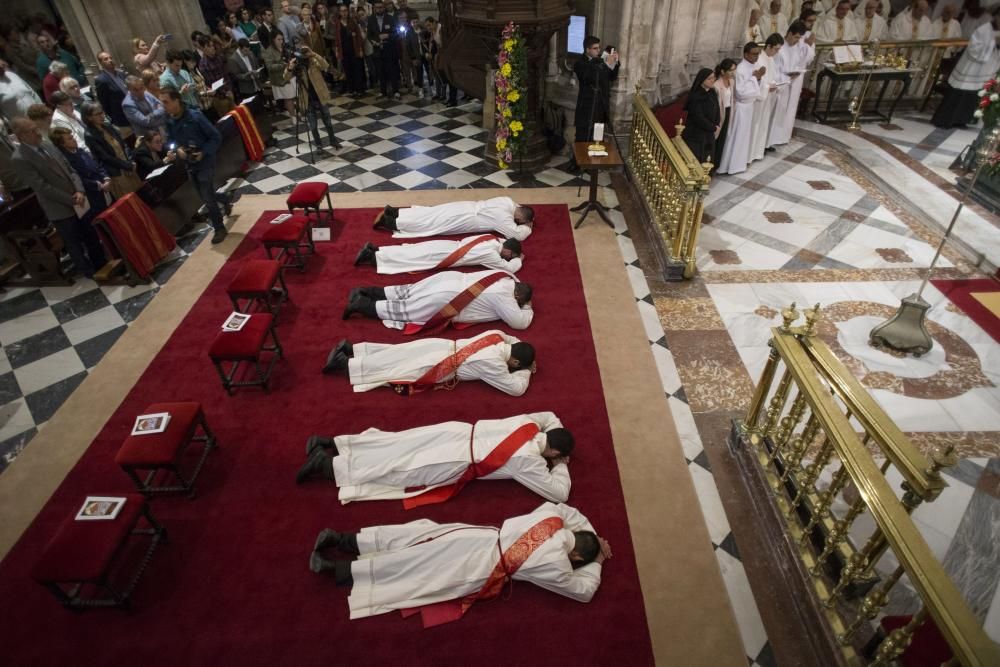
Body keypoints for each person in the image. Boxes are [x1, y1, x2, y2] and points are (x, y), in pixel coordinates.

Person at [308, 502, 609, 625]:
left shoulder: (553, 517)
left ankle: (343, 539)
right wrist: (596, 561)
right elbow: (583, 592)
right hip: (480, 568)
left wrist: (592, 536)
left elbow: (573, 513)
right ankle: (339, 570)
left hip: (476, 536)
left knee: (415, 538)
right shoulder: (558, 566)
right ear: (577, 557)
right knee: (416, 578)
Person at [296, 412, 574, 507]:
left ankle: (331, 443)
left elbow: (550, 415)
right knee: (399, 471)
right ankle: (326, 465)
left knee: (396, 442)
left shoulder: (531, 423)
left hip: (455, 431)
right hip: (456, 459)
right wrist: (560, 466)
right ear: (552, 453)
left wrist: (557, 435)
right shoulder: (530, 460)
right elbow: (558, 493)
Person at [10, 117, 106, 278]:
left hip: (79, 198)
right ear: (21, 136)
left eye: (36, 128)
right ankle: (88, 271)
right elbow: (41, 186)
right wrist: (71, 199)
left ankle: (101, 263)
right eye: (32, 131)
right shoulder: (20, 158)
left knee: (90, 233)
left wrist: (80, 191)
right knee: (73, 241)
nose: (37, 133)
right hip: (59, 206)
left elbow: (70, 169)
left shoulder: (47, 145)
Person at [321, 329, 536, 396]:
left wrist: (523, 355)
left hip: (441, 345)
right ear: (514, 361)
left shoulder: (497, 335)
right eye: (517, 365)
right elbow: (515, 389)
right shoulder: (496, 364)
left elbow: (514, 340)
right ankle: (345, 364)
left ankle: (353, 351)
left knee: (397, 353)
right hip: (442, 366)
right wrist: (526, 370)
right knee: (398, 370)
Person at [342, 268, 533, 334]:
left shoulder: (504, 277)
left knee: (408, 292)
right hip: (449, 300)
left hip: (449, 279)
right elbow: (519, 323)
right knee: (407, 310)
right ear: (516, 297)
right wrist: (527, 308)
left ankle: (364, 291)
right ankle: (360, 305)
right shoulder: (505, 298)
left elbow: (513, 274)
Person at [160, 88, 236, 243]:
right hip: (189, 163)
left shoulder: (195, 117)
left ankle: (219, 228)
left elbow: (215, 136)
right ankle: (224, 198)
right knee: (203, 195)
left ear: (176, 100)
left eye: (165, 102)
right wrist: (177, 149)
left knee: (207, 196)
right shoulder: (169, 120)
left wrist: (203, 152)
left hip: (205, 161)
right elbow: (170, 140)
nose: (163, 106)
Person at [932, 9, 1000, 127]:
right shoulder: (984, 29)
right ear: (996, 17)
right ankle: (944, 121)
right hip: (970, 68)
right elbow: (973, 47)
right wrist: (994, 43)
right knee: (958, 95)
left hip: (983, 71)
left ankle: (960, 120)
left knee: (971, 97)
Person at [373, 198, 534, 240]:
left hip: (463, 206)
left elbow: (519, 207)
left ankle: (394, 211)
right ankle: (389, 222)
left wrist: (525, 215)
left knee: (431, 213)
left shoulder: (507, 201)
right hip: (465, 219)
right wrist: (527, 226)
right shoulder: (504, 218)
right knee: (431, 224)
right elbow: (517, 235)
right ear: (519, 219)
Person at [354, 235, 523, 274]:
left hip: (446, 245)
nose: (508, 257)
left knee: (412, 250)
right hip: (446, 256)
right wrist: (519, 260)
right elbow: (508, 268)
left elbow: (504, 240)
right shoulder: (492, 254)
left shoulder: (490, 238)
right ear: (507, 251)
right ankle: (371, 257)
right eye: (510, 255)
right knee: (412, 258)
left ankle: (376, 249)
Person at [50, 126, 112, 232]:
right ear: (62, 144)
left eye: (72, 136)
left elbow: (97, 166)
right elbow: (78, 178)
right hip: (92, 197)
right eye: (69, 139)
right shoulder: (66, 160)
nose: (74, 139)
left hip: (105, 190)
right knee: (104, 228)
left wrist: (106, 178)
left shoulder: (81, 151)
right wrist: (98, 185)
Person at [717, 43, 764, 175]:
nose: (757, 56)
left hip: (750, 106)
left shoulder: (755, 66)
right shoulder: (741, 69)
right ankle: (730, 166)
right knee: (737, 137)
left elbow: (755, 88)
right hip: (741, 108)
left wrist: (757, 80)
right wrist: (756, 78)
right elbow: (741, 93)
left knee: (744, 137)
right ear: (745, 54)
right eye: (754, 53)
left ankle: (738, 164)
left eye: (758, 53)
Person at [81, 102, 141, 200]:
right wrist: (127, 166)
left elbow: (123, 144)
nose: (102, 115)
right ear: (89, 117)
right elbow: (105, 157)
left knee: (141, 195)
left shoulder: (107, 126)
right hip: (117, 173)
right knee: (130, 202)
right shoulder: (90, 135)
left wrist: (130, 161)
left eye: (102, 112)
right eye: (98, 114)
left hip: (128, 166)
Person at [768, 21, 813, 147]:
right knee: (773, 115)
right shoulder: (780, 48)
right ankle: (768, 142)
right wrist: (786, 76)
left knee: (782, 115)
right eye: (796, 37)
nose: (798, 41)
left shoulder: (795, 48)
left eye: (800, 38)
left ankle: (776, 139)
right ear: (789, 33)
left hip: (787, 85)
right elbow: (773, 70)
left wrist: (794, 74)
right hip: (778, 86)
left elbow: (801, 61)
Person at [286, 45, 340, 149]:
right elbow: (286, 77)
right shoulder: (297, 65)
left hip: (320, 95)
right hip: (307, 98)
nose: (304, 56)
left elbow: (325, 65)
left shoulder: (313, 60)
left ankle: (333, 140)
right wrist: (290, 67)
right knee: (313, 124)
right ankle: (318, 145)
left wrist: (314, 53)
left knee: (327, 120)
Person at [572, 35, 620, 150]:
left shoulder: (600, 61)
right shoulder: (579, 63)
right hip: (587, 108)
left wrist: (615, 63)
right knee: (583, 137)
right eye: (595, 48)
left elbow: (611, 77)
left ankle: (594, 164)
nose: (598, 50)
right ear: (587, 49)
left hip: (600, 107)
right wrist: (606, 64)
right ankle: (579, 163)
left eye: (599, 48)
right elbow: (590, 76)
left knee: (597, 137)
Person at [750, 33, 783, 161]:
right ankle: (752, 153)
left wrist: (775, 84)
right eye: (776, 49)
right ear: (768, 46)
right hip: (758, 99)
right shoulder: (759, 59)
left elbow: (772, 77)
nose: (777, 52)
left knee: (763, 125)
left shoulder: (770, 59)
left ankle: (758, 152)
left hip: (767, 97)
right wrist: (768, 86)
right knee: (756, 125)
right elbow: (755, 79)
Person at [682, 68, 721, 164]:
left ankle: (707, 175)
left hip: (709, 131)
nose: (713, 80)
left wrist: (717, 124)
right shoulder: (696, 96)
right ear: (702, 80)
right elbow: (698, 117)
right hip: (696, 134)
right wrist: (713, 127)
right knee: (698, 158)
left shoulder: (712, 92)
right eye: (709, 79)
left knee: (708, 156)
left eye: (713, 78)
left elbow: (717, 108)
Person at [368, 1, 402, 99]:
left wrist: (388, 35)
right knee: (380, 71)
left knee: (392, 70)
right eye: (377, 8)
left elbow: (397, 33)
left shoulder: (390, 18)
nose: (379, 9)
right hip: (378, 49)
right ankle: (383, 91)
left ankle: (396, 90)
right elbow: (369, 35)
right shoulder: (371, 20)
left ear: (384, 8)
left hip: (389, 49)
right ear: (374, 8)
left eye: (381, 7)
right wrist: (373, 41)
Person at [333, 4, 367, 97]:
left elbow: (359, 36)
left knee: (357, 69)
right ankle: (352, 89)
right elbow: (337, 38)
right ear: (340, 12)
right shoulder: (338, 23)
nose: (344, 13)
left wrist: (360, 49)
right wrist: (337, 50)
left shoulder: (352, 22)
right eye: (342, 11)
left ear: (347, 12)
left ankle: (360, 89)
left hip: (354, 49)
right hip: (344, 50)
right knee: (348, 70)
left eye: (345, 11)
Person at [93, 52, 131, 134]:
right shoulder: (101, 80)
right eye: (106, 59)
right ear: (101, 63)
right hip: (121, 118)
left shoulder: (121, 74)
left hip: (133, 111)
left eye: (110, 58)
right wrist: (114, 118)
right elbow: (104, 103)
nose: (110, 60)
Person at [712, 59, 737, 170]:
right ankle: (711, 165)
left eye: (734, 70)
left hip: (728, 111)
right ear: (723, 71)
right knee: (716, 139)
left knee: (723, 139)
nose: (733, 73)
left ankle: (717, 164)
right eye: (731, 71)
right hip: (719, 113)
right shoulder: (716, 85)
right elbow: (715, 104)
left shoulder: (731, 82)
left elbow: (732, 98)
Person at [264, 32, 297, 117]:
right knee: (288, 97)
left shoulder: (284, 47)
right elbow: (269, 67)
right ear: (273, 40)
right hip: (280, 78)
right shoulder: (268, 51)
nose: (281, 41)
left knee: (294, 96)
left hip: (291, 74)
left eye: (282, 39)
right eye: (278, 39)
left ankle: (295, 113)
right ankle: (293, 117)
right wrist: (283, 64)